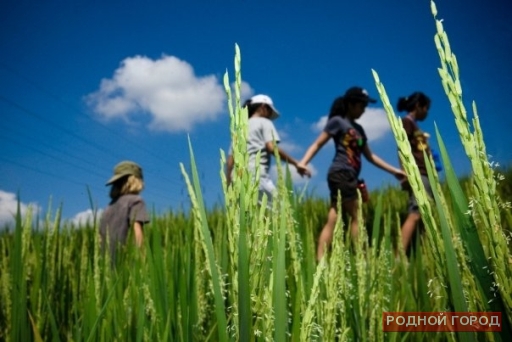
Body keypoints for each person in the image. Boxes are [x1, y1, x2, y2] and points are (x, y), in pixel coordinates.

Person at [297, 87, 406, 260]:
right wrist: (303, 162)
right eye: (361, 105)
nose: (364, 109)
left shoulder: (359, 130)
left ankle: (320, 260)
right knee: (358, 216)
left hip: (350, 176)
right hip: (341, 172)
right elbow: (318, 144)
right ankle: (362, 259)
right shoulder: (337, 122)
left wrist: (395, 171)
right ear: (350, 104)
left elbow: (370, 156)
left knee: (334, 217)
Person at [226, 94, 310, 205]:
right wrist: (296, 163)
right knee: (283, 212)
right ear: (263, 106)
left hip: (237, 178)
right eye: (270, 111)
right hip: (256, 176)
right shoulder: (265, 122)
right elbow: (272, 148)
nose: (270, 115)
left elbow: (230, 161)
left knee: (248, 217)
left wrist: (228, 185)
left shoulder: (240, 128)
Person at [396, 92, 433, 252]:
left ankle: (420, 253)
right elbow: (401, 146)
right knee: (416, 212)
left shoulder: (416, 126)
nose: (427, 112)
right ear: (419, 106)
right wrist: (405, 172)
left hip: (425, 173)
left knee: (425, 215)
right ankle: (399, 256)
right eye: (426, 108)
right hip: (417, 173)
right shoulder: (406, 122)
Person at [99, 160, 149, 260]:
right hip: (125, 264)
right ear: (136, 180)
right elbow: (137, 233)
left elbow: (100, 238)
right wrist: (142, 261)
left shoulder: (109, 207)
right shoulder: (136, 201)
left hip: (106, 264)